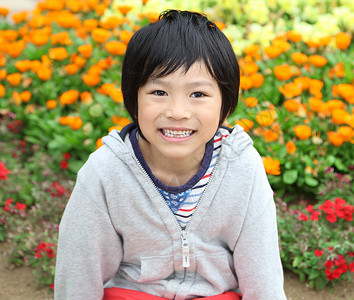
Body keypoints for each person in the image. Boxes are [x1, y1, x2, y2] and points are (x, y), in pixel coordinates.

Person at [54, 10, 286, 300]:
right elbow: (79, 270)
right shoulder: (105, 171)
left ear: (225, 105)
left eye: (198, 94)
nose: (177, 112)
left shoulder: (242, 167)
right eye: (159, 92)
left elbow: (262, 275)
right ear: (133, 97)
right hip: (134, 294)